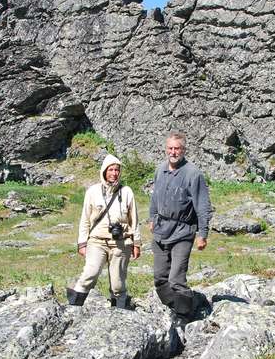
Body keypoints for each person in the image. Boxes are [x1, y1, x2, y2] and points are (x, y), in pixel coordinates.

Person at [149, 132, 213, 316]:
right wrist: (152, 218)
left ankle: (186, 316)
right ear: (166, 149)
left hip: (183, 231)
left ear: (184, 150)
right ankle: (173, 309)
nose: (173, 152)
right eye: (170, 148)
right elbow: (155, 196)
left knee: (176, 279)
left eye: (177, 148)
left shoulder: (193, 174)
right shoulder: (160, 169)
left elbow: (203, 205)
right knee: (160, 277)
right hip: (161, 230)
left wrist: (203, 234)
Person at [69, 153, 141, 308]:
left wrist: (137, 243)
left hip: (121, 242)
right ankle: (73, 309)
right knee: (90, 274)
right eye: (111, 170)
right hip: (97, 241)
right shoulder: (92, 191)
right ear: (104, 171)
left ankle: (119, 314)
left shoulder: (127, 191)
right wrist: (82, 243)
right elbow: (85, 219)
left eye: (117, 170)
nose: (114, 173)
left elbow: (134, 219)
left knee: (118, 284)